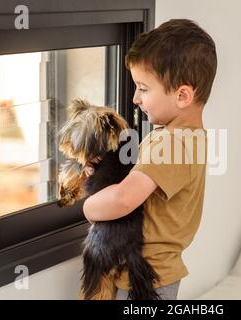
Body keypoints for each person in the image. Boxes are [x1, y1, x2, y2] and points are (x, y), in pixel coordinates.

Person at [83, 19, 217, 300]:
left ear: (182, 95)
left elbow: (124, 199)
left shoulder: (173, 143)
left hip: (148, 276)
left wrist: (90, 207)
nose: (135, 98)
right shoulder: (184, 136)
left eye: (143, 89)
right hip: (148, 270)